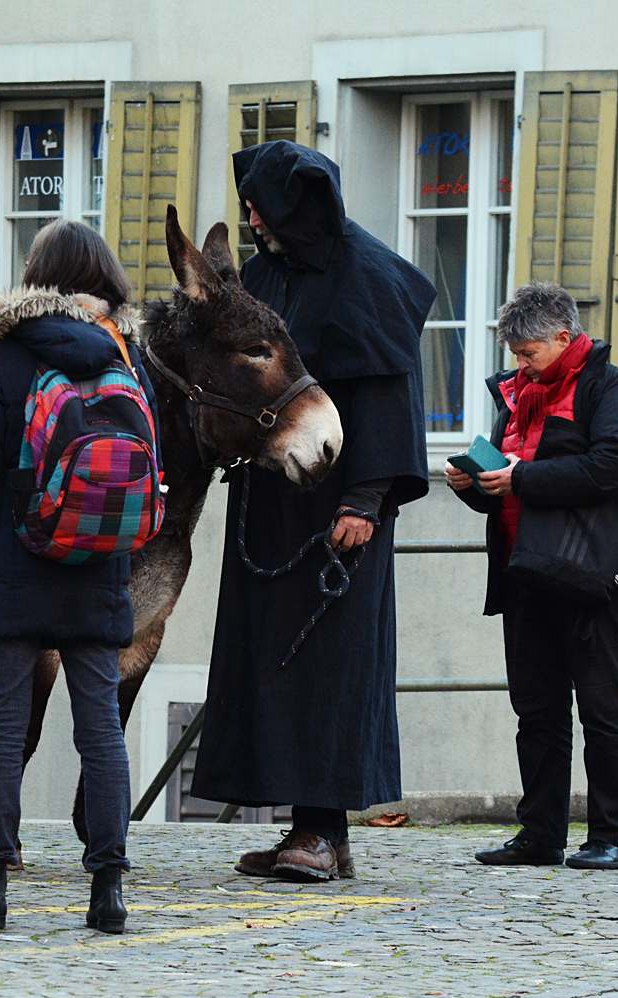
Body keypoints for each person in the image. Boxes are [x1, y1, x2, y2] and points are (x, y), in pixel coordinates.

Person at [191, 141, 434, 882]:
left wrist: (366, 500)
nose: (253, 219)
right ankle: (301, 827)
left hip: (341, 513)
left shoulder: (371, 279)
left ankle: (323, 832)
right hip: (271, 503)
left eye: (260, 206)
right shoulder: (264, 278)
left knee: (329, 667)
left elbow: (391, 404)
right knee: (270, 662)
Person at [0, 220, 150, 934]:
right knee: (101, 735)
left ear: (34, 276)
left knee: (0, 727)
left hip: (10, 565)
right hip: (98, 568)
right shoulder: (124, 351)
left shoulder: (4, 353)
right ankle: (107, 890)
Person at [446, 283, 618, 871]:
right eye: (514, 353)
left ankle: (610, 837)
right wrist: (476, 488)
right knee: (536, 710)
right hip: (524, 571)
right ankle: (539, 834)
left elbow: (613, 465)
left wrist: (522, 478)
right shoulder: (521, 393)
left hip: (592, 576)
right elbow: (511, 484)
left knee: (604, 708)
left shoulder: (612, 389)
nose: (520, 363)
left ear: (565, 336)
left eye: (529, 351)